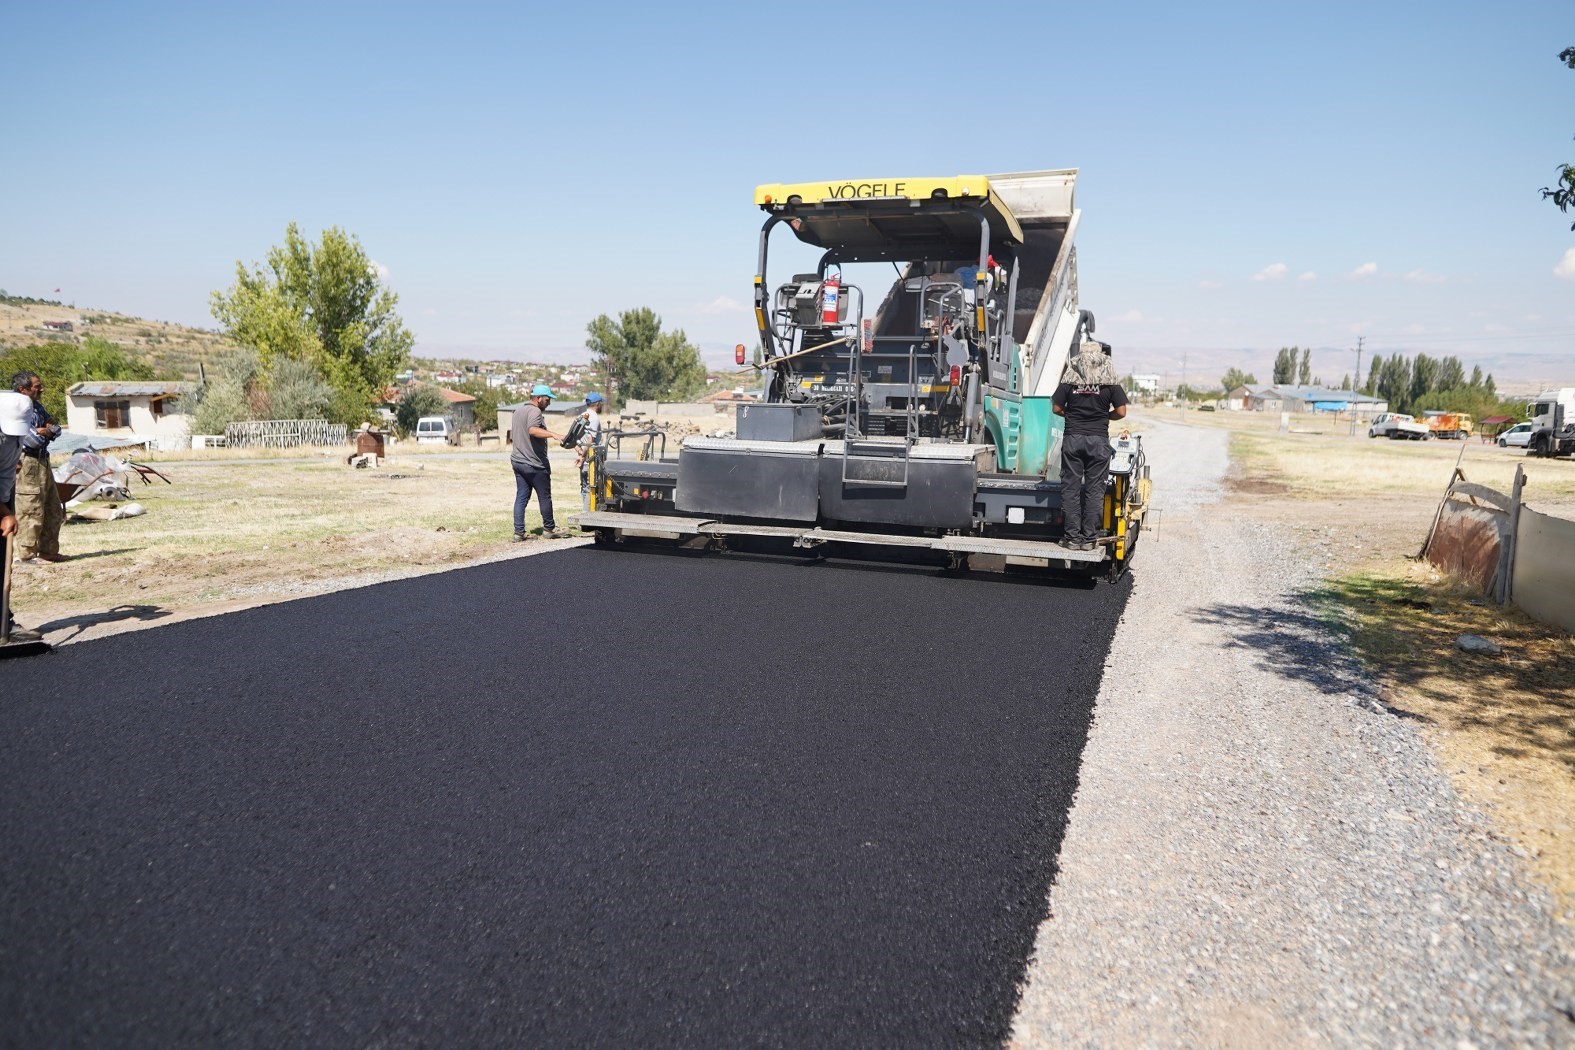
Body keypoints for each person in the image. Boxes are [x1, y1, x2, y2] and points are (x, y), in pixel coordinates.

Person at [1051, 342, 1128, 551]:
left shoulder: (1070, 379)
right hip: (1098, 441)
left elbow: (1056, 407)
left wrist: (1071, 415)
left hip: (1073, 439)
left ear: (1079, 358)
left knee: (1071, 489)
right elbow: (1121, 412)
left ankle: (1072, 538)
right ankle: (1089, 540)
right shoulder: (1110, 382)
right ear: (1101, 358)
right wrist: (1105, 416)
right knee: (1095, 491)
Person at [0, 390, 44, 641]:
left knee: (1, 562)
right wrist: (4, 512)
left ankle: (3, 624)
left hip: (2, 495)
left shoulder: (13, 433)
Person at [11, 371, 66, 564]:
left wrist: (47, 430)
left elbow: (57, 428)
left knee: (52, 508)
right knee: (30, 509)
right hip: (27, 463)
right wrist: (43, 432)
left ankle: (48, 551)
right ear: (23, 389)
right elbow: (32, 440)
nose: (41, 388)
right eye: (36, 386)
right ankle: (26, 556)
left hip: (43, 461)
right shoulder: (16, 410)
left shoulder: (37, 407)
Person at [510, 384, 569, 540]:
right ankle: (549, 529)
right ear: (538, 398)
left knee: (521, 496)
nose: (549, 403)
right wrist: (554, 434)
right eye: (547, 399)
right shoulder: (535, 411)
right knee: (544, 496)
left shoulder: (518, 411)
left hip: (518, 461)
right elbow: (532, 430)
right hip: (534, 464)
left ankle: (518, 532)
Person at [574, 393, 605, 511]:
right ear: (597, 404)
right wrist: (583, 455)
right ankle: (586, 517)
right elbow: (590, 440)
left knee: (584, 487)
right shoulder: (594, 417)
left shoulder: (581, 416)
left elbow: (572, 439)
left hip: (583, 459)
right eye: (601, 403)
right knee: (591, 487)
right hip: (591, 459)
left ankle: (586, 514)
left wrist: (579, 453)